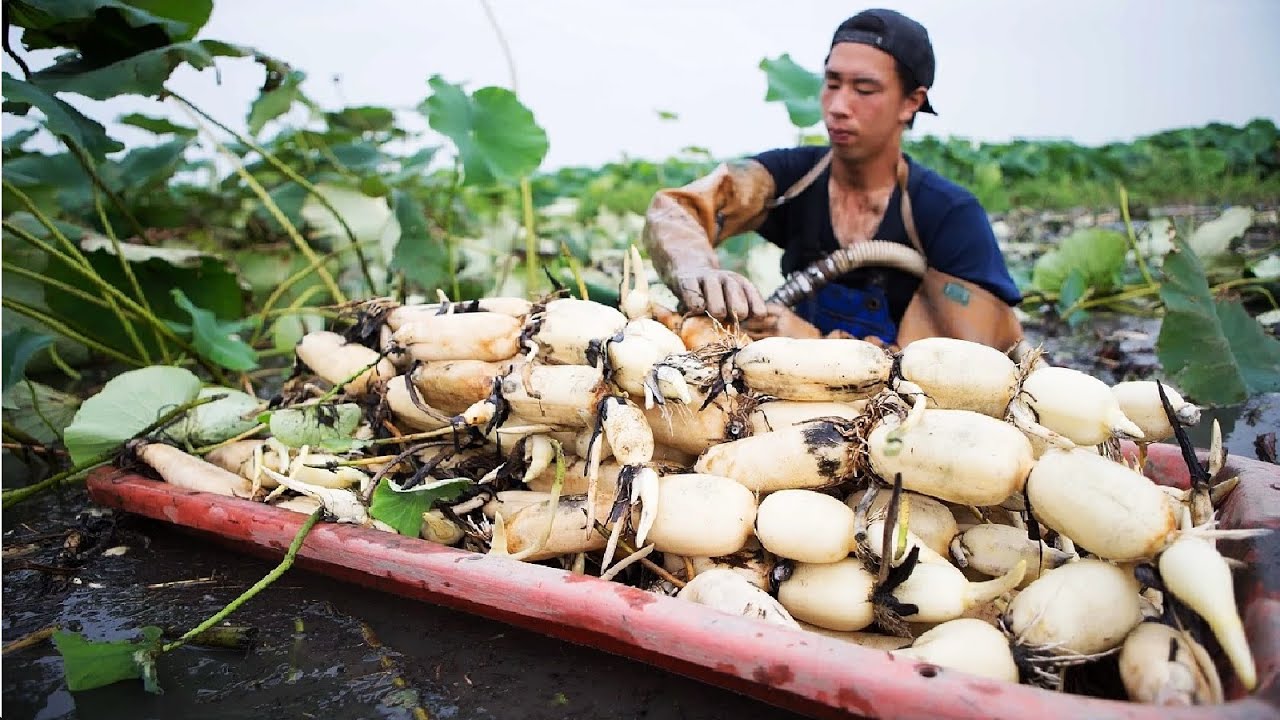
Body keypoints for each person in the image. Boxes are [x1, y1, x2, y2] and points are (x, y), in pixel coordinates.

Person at [641, 8, 1025, 352]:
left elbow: (966, 369)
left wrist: (811, 342)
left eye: (864, 89)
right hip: (785, 388)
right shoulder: (793, 179)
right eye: (832, 83)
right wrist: (697, 270)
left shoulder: (948, 214)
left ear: (911, 102)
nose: (838, 106)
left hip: (896, 414)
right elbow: (678, 209)